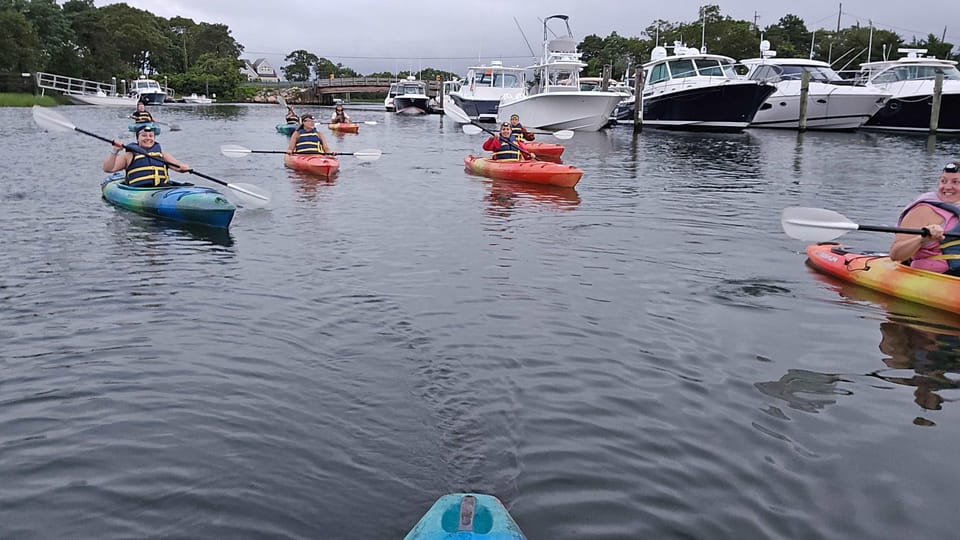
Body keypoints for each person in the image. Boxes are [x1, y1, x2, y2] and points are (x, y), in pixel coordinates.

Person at [890, 161, 960, 274]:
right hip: (932, 277)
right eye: (943, 181)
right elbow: (896, 255)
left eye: (955, 182)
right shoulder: (923, 210)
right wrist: (922, 239)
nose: (947, 187)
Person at [102, 124, 190, 187]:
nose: (148, 138)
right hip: (139, 191)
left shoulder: (162, 155)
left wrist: (184, 167)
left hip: (162, 188)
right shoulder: (129, 155)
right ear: (138, 139)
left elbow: (178, 167)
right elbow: (108, 169)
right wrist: (115, 151)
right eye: (144, 135)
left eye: (151, 136)